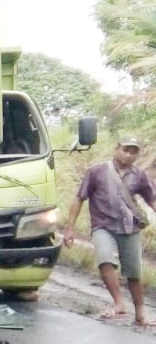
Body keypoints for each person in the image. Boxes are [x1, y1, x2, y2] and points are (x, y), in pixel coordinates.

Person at [64, 137, 156, 325]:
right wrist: (70, 229)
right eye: (125, 150)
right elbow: (79, 198)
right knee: (105, 260)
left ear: (138, 154)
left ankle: (140, 314)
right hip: (103, 225)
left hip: (130, 228)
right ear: (116, 149)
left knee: (134, 273)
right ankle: (119, 303)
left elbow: (151, 199)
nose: (129, 154)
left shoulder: (139, 175)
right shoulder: (97, 171)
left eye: (133, 151)